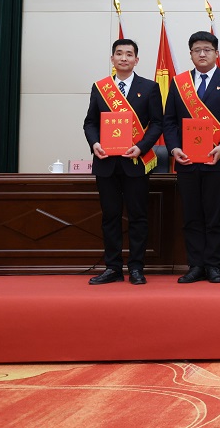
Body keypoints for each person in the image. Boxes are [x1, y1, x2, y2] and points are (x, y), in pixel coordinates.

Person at [164, 31, 220, 284]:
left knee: (215, 215)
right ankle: (195, 265)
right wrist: (174, 148)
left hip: (217, 160)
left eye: (207, 49)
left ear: (216, 53)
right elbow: (169, 121)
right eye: (197, 50)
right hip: (187, 161)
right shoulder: (179, 83)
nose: (202, 54)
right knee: (191, 216)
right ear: (190, 54)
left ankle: (214, 265)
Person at [82, 39, 163, 285]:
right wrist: (95, 143)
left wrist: (142, 147)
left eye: (129, 54)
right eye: (119, 54)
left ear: (136, 60)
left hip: (135, 162)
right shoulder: (100, 87)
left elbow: (157, 123)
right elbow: (90, 122)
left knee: (138, 216)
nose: (124, 58)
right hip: (106, 162)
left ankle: (136, 267)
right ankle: (113, 268)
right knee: (110, 216)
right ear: (112, 59)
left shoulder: (149, 87)